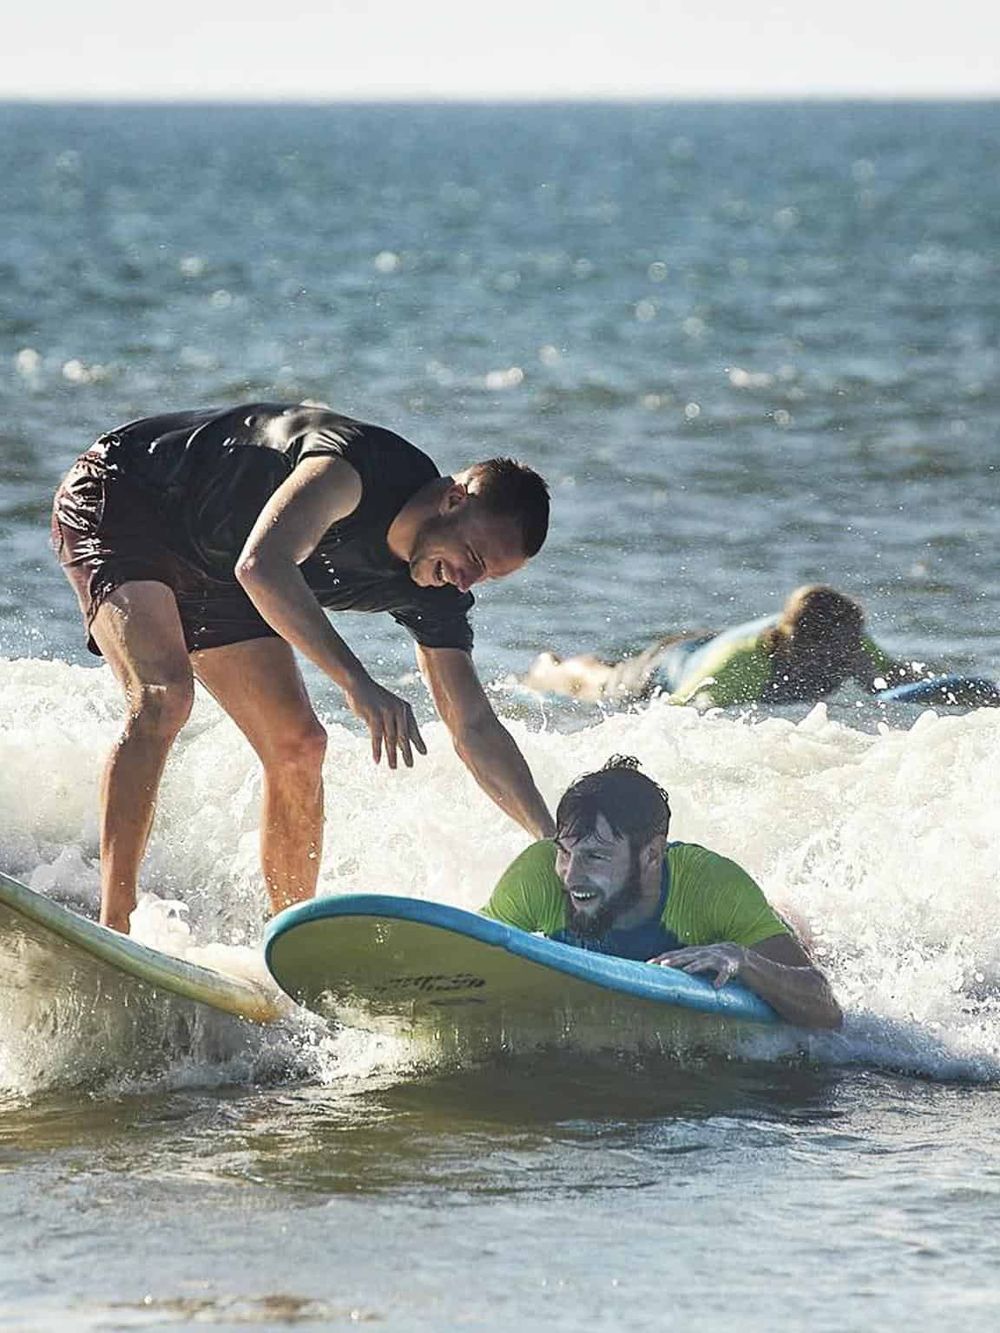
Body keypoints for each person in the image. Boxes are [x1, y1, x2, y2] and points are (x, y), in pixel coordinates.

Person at [52, 401, 555, 933]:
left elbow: (473, 725)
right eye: (473, 559)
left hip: (221, 572)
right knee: (165, 695)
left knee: (299, 746)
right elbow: (263, 565)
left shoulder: (435, 590)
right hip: (127, 498)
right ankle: (116, 925)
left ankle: (285, 942)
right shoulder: (353, 470)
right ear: (454, 501)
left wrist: (550, 842)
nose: (464, 583)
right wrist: (356, 682)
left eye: (486, 578)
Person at [482, 756, 843, 1030]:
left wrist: (742, 960)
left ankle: (785, 911)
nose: (571, 875)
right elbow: (466, 951)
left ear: (652, 854)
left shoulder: (711, 886)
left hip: (763, 927)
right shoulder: (538, 873)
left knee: (798, 936)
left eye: (595, 856)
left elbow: (827, 1011)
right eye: (565, 852)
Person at [522, 584, 935, 708]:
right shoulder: (741, 669)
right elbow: (673, 715)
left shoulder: (848, 640)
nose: (853, 656)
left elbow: (899, 683)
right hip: (673, 666)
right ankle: (552, 669)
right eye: (841, 649)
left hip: (708, 645)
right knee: (603, 684)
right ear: (806, 648)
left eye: (853, 644)